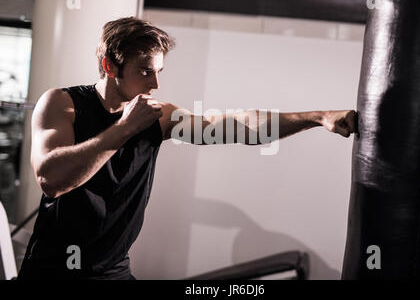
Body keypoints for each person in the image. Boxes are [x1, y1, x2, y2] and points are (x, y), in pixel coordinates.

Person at [17, 17, 356, 280]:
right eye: (145, 71)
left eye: (159, 71)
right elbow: (52, 179)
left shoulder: (158, 117)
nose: (155, 83)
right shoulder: (63, 104)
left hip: (113, 269)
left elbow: (237, 126)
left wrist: (318, 117)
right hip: (53, 268)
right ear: (109, 66)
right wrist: (123, 129)